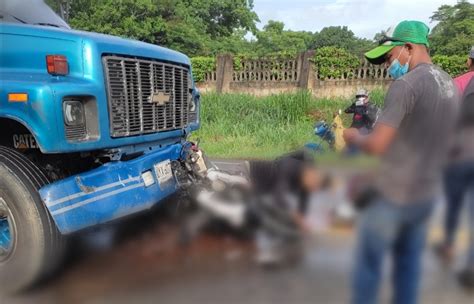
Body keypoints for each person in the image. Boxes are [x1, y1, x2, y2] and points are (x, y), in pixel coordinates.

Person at [343, 21, 459, 304]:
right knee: (407, 269)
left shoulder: (405, 85)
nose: (387, 65)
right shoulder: (448, 85)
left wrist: (354, 137)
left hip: (394, 195)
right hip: (427, 194)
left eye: (389, 56)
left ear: (408, 47)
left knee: (369, 268)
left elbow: (377, 146)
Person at [436, 47, 474, 269]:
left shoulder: (458, 83)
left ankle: (449, 245)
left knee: (454, 203)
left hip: (459, 154)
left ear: (469, 60)